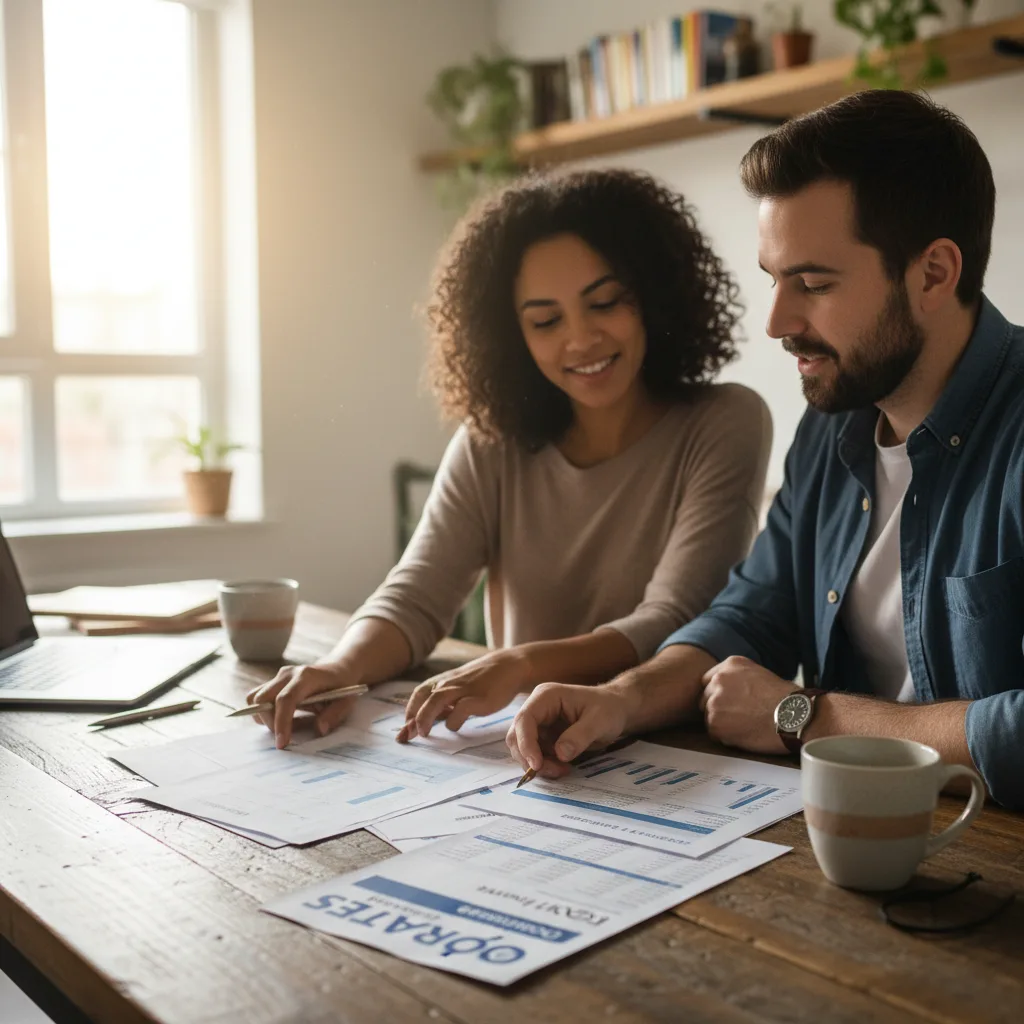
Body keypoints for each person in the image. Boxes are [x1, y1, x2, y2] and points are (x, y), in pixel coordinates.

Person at [507, 90, 1024, 809]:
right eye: (774, 280)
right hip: (850, 834)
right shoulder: (832, 425)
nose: (778, 321)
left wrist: (805, 716)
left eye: (812, 282)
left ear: (934, 274)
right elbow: (753, 614)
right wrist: (623, 699)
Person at [248, 168, 771, 749]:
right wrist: (342, 669)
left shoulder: (725, 421)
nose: (581, 339)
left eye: (604, 302)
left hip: (665, 748)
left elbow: (675, 620)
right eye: (546, 321)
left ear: (652, 294)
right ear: (510, 333)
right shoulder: (491, 441)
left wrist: (520, 664)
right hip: (525, 750)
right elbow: (418, 593)